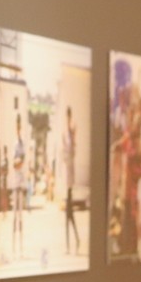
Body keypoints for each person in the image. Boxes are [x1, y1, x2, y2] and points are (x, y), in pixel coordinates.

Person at [62, 106, 81, 254]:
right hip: (67, 172)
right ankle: (73, 241)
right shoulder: (65, 134)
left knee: (68, 214)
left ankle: (71, 243)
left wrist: (73, 134)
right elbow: (65, 152)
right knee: (68, 215)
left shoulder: (71, 133)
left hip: (70, 173)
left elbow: (73, 150)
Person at [11, 111, 26, 258]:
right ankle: (13, 245)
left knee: (20, 216)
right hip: (16, 183)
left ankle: (20, 246)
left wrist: (19, 161)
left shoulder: (22, 143)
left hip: (20, 183)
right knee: (15, 216)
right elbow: (14, 163)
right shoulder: (15, 143)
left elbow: (21, 160)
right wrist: (18, 161)